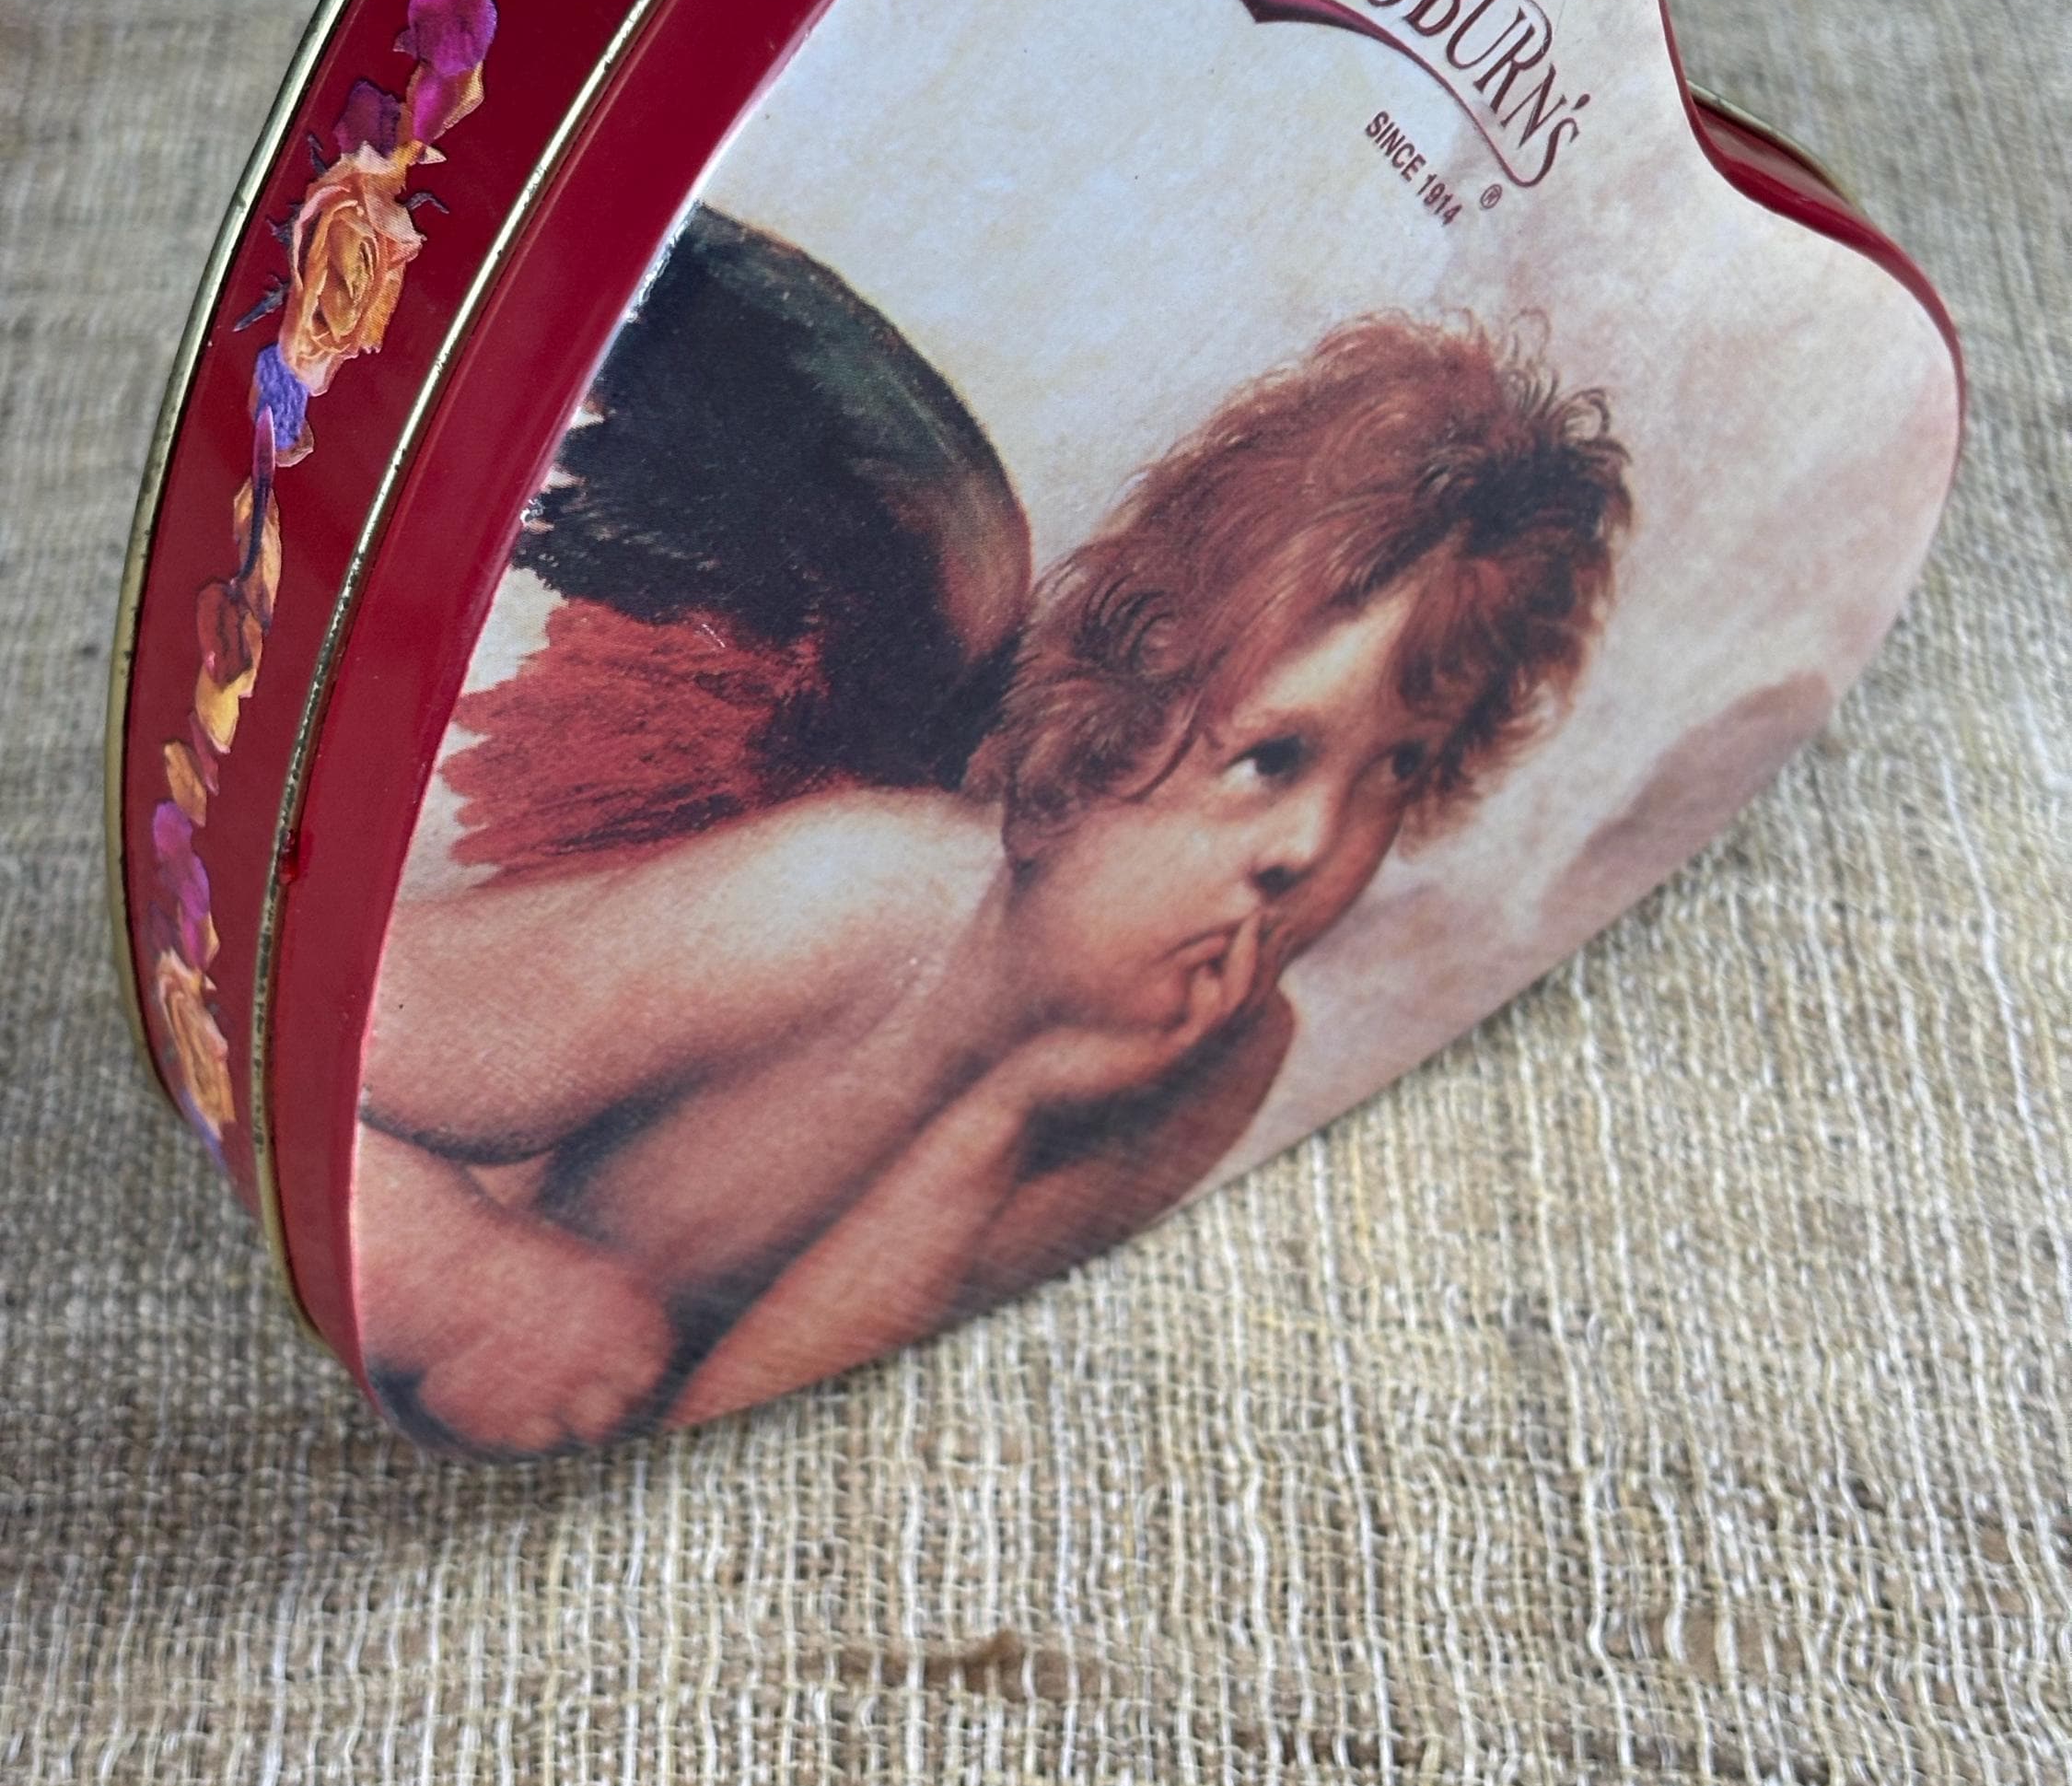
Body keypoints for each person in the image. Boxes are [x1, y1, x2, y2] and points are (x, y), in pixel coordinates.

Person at [355, 308, 1630, 1455]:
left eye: (1396, 773)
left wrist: (996, 1122)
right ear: (1134, 697)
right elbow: (316, 1030)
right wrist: (457, 1279)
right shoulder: (851, 898)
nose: (1312, 845)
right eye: (1273, 757)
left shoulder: (1212, 1062)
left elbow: (743, 1415)